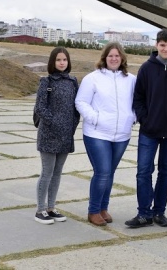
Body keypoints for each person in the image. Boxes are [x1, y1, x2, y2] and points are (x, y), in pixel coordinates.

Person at [127, 29, 167, 229]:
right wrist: (145, 119)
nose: (165, 48)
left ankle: (159, 212)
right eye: (162, 45)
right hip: (149, 131)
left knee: (166, 172)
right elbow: (138, 98)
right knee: (143, 171)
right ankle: (143, 213)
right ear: (157, 45)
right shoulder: (147, 68)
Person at [75, 42, 136, 226]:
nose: (114, 59)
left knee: (110, 173)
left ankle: (103, 208)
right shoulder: (92, 78)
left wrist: (132, 117)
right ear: (105, 58)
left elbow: (138, 101)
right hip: (97, 133)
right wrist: (95, 118)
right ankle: (93, 211)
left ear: (122, 58)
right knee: (102, 172)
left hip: (122, 135)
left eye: (117, 56)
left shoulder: (131, 79)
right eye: (110, 56)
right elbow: (81, 102)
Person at [33, 47, 80, 225]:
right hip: (49, 134)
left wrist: (73, 124)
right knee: (47, 172)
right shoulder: (46, 82)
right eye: (58, 60)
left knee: (58, 173)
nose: (62, 63)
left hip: (66, 134)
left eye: (65, 60)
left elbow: (76, 107)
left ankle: (51, 207)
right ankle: (40, 209)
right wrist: (54, 122)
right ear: (52, 62)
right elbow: (40, 108)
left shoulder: (73, 81)